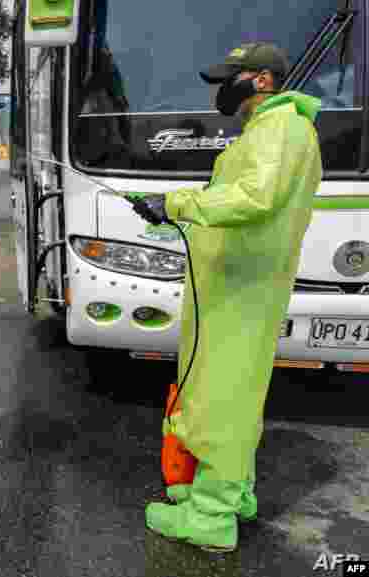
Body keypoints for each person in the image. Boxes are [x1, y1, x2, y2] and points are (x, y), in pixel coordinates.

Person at [132, 42, 322, 552]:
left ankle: (211, 516)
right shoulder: (273, 130)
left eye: (229, 80)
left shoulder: (281, 128)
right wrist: (181, 216)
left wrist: (174, 202)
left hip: (241, 286)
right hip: (239, 282)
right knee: (233, 391)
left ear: (260, 81)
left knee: (222, 393)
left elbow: (253, 199)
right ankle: (232, 492)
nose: (222, 90)